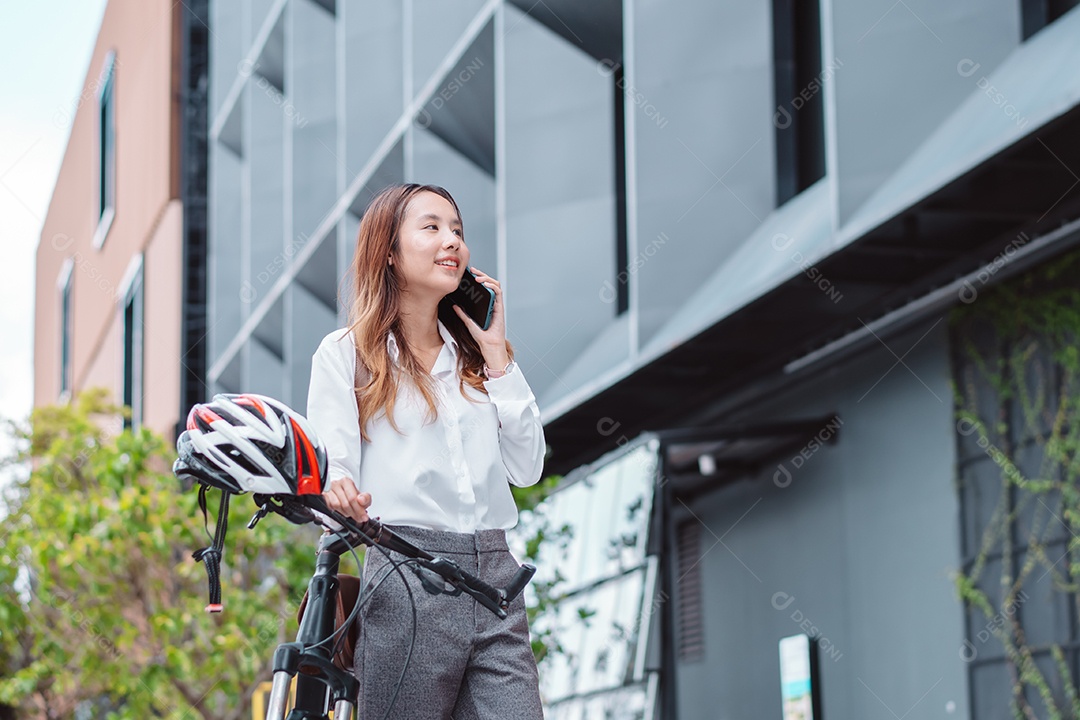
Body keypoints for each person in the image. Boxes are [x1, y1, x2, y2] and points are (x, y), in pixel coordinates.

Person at [305, 183, 546, 719]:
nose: (452, 241)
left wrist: (497, 354)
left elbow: (528, 468)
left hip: (496, 578)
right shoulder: (348, 354)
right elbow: (333, 468)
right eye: (432, 227)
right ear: (389, 250)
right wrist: (337, 488)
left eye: (457, 230)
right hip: (405, 573)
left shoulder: (478, 362)